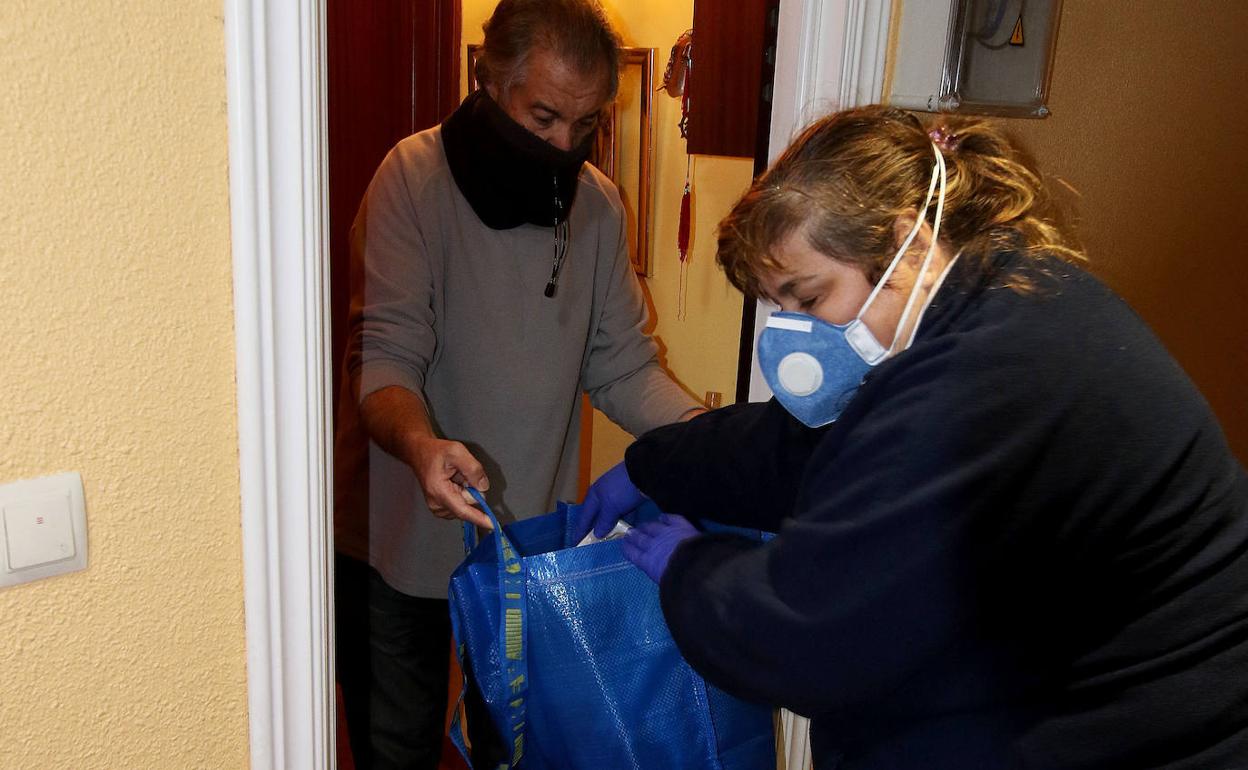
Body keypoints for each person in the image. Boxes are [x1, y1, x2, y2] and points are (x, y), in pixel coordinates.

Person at [574, 106, 1248, 768]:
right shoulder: (1003, 298)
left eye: (807, 297)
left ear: (912, 246)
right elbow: (809, 447)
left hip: (1143, 737)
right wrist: (658, 464)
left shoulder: (986, 379)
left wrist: (691, 568)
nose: (792, 329)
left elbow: (807, 638)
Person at [332, 1, 703, 767]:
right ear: (487, 78)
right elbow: (384, 357)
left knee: (511, 750)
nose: (562, 145)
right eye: (542, 118)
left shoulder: (596, 204)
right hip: (394, 543)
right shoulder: (411, 179)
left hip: (524, 549)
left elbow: (624, 366)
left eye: (584, 123)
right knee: (396, 750)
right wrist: (422, 444)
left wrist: (717, 442)